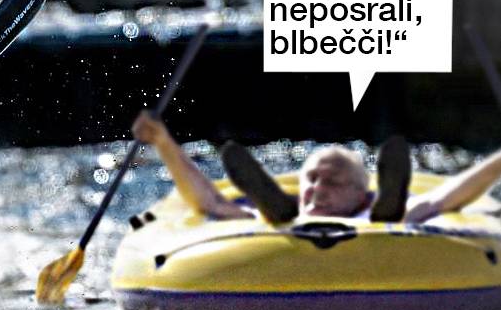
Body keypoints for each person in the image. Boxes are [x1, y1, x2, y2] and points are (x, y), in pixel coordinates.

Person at [130, 110, 501, 225]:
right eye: (312, 180)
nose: (318, 189)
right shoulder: (252, 218)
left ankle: (390, 207)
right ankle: (275, 207)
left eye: (333, 182)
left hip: (375, 230)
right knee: (262, 216)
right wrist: (164, 142)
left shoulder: (369, 206)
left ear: (361, 191)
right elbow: (207, 200)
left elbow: (450, 196)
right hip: (283, 231)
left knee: (397, 218)